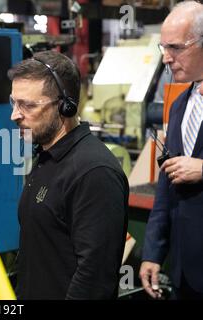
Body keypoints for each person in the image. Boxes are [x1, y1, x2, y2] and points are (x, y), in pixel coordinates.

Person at [8, 50, 129, 299]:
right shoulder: (46, 157)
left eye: (27, 105)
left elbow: (94, 279)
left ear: (66, 106)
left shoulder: (94, 173)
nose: (15, 115)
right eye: (14, 102)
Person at [140, 1, 203, 300]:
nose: (166, 58)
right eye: (163, 47)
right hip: (183, 272)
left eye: (176, 48)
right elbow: (166, 186)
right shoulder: (178, 106)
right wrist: (153, 251)